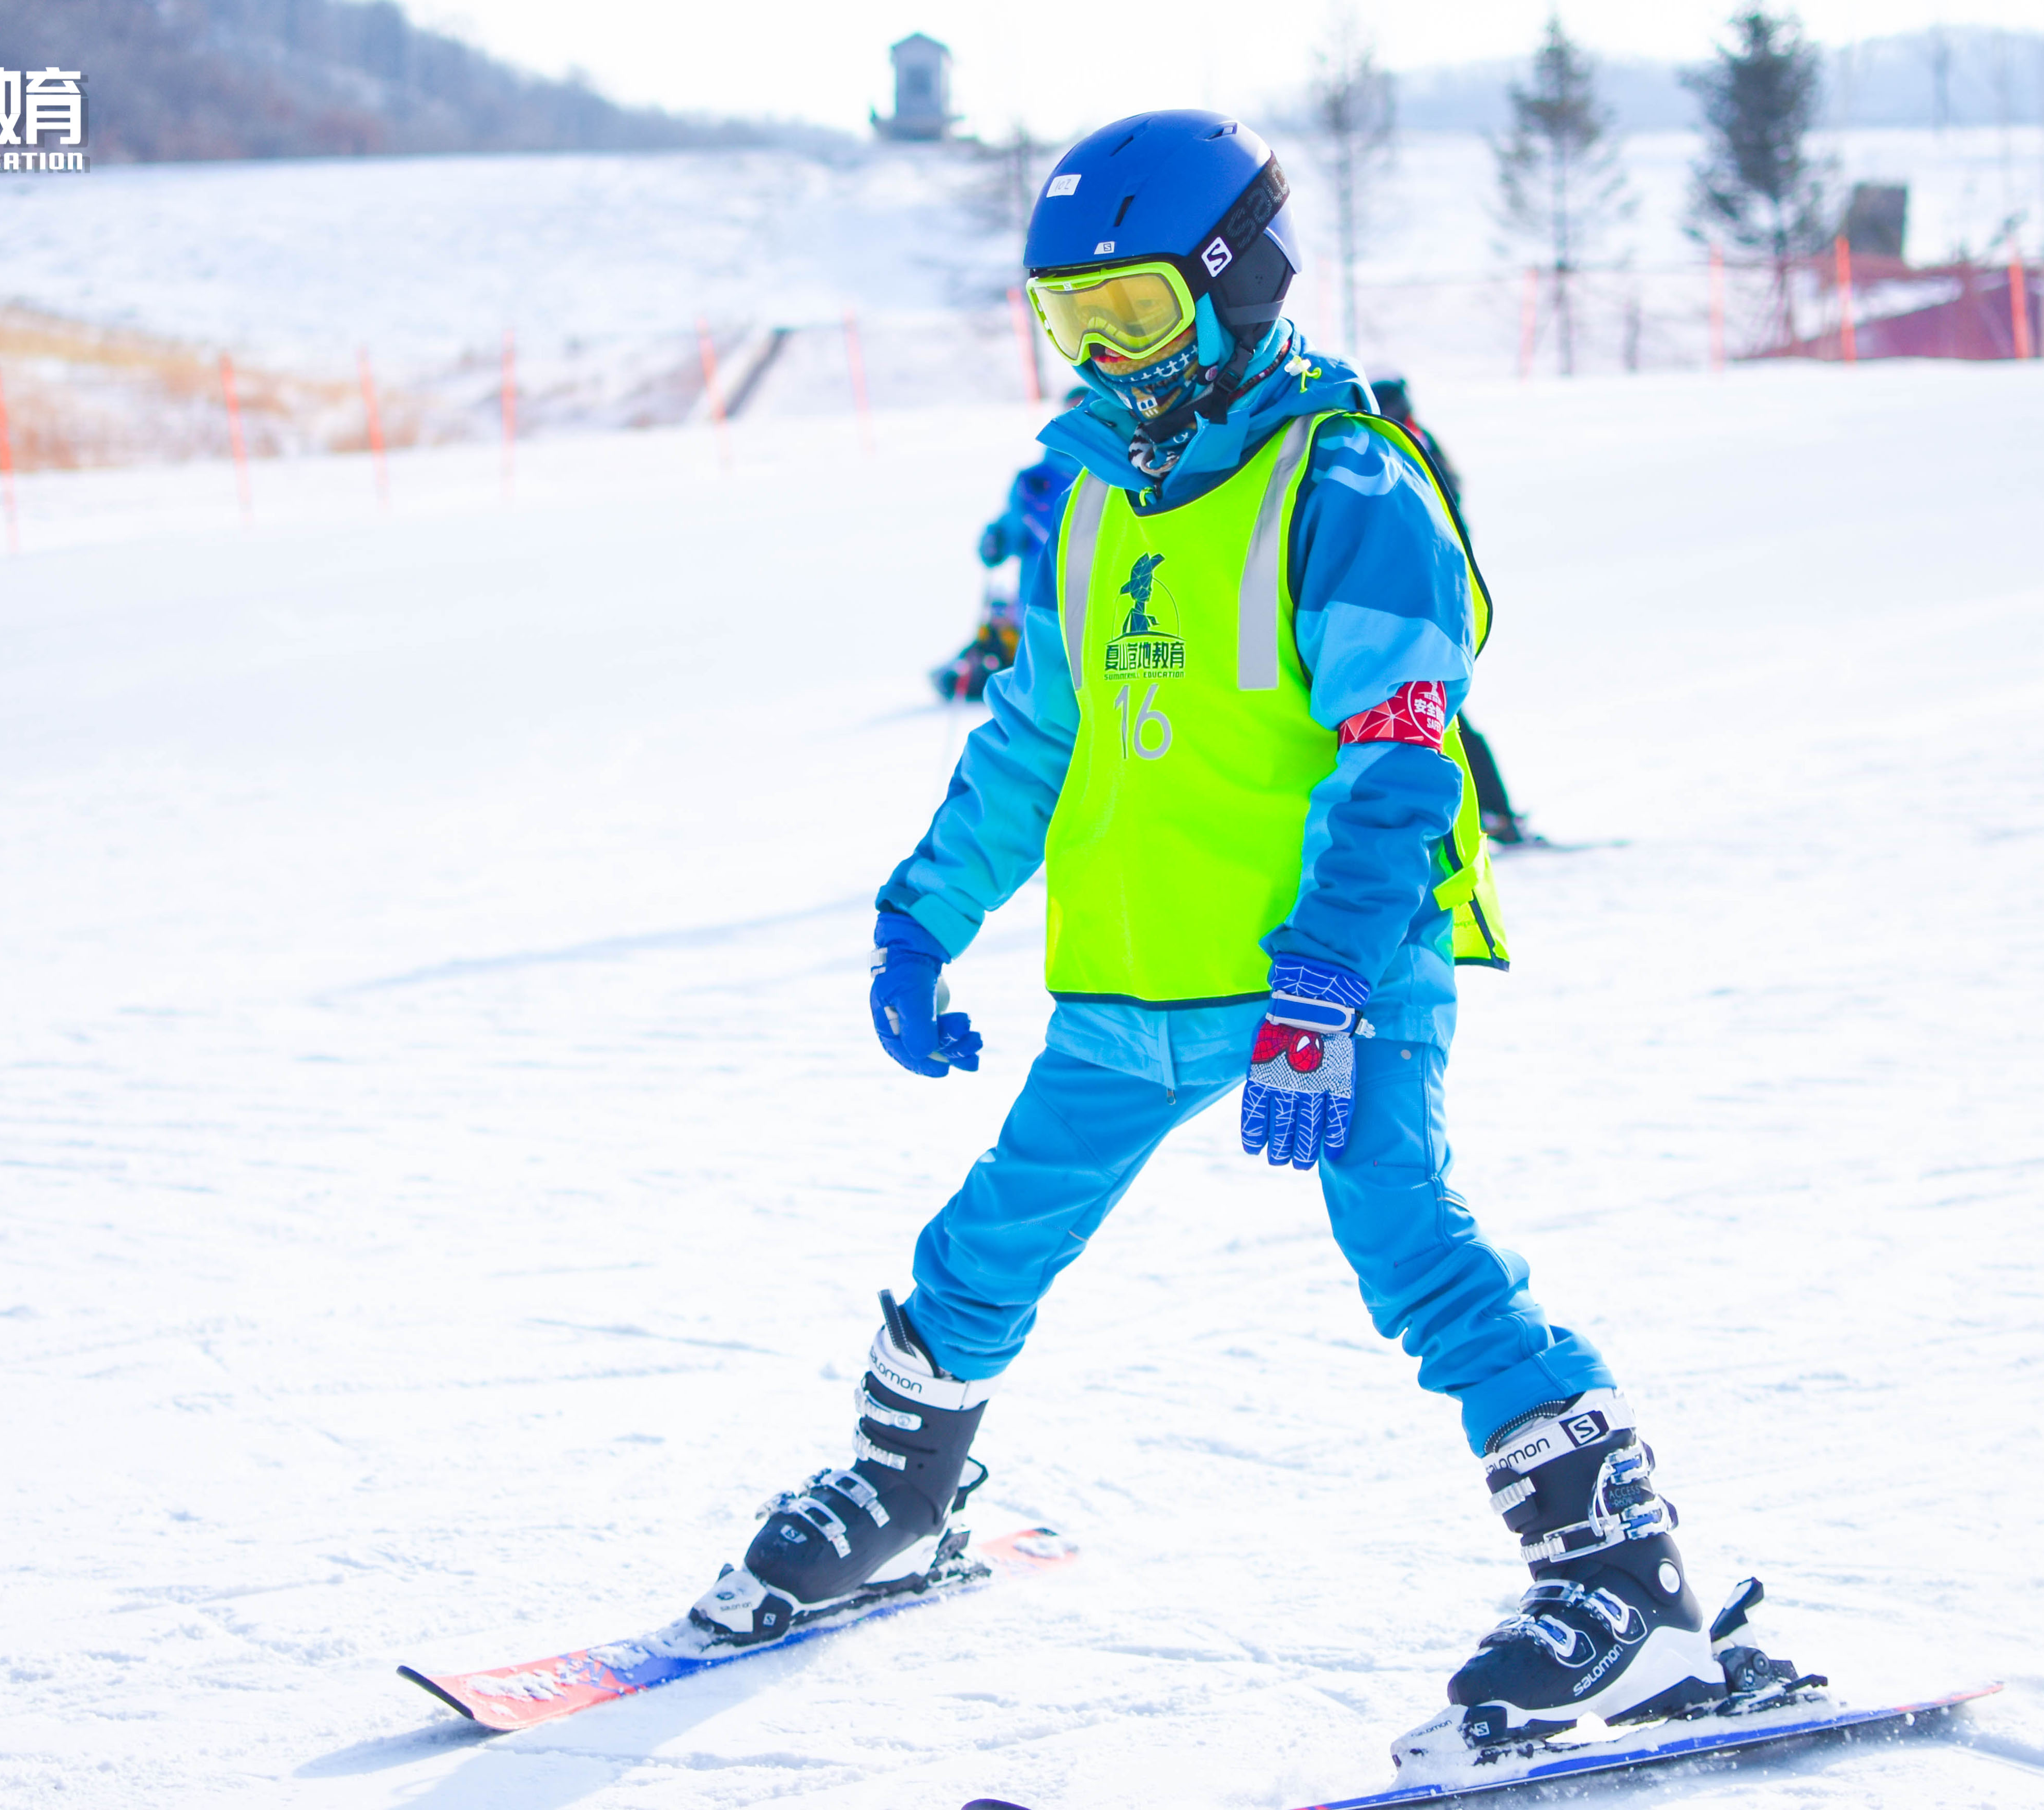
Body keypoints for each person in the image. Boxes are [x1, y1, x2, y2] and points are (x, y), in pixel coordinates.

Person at [677, 110, 1790, 1768]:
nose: (1110, 357)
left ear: (1236, 282)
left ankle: (1626, 1583)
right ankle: (906, 1490)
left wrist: (1330, 976)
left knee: (1414, 1250)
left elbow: (1398, 755)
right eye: (1073, 324)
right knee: (985, 1244)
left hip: (1326, 973)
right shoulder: (1077, 497)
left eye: (1135, 312)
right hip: (1129, 977)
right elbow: (1029, 738)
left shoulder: (1343, 487)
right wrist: (924, 911)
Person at [1368, 374, 1532, 847]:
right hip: (1417, 603)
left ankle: (1491, 815)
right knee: (1439, 717)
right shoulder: (1403, 443)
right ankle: (1491, 814)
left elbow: (1444, 526)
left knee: (1441, 716)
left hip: (1422, 608)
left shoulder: (1406, 447)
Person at [935, 448, 1073, 702]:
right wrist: (998, 539)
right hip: (1039, 608)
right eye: (1071, 405)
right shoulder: (1035, 481)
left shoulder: (1111, 468)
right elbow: (1013, 526)